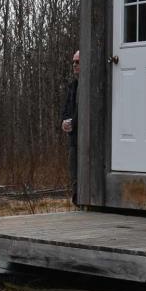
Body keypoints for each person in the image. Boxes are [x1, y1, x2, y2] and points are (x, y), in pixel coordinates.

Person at [60, 50, 79, 201]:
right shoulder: (73, 86)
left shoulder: (88, 86)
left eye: (77, 62)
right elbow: (66, 108)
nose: (74, 65)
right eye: (73, 62)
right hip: (74, 137)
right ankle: (76, 197)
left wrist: (74, 122)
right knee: (73, 167)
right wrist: (64, 121)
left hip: (85, 136)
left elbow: (85, 110)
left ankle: (81, 197)